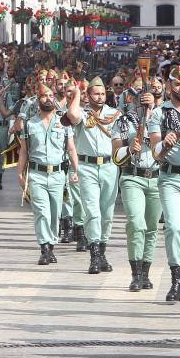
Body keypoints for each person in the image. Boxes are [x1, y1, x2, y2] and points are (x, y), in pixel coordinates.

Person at [149, 65, 180, 302]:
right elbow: (155, 153)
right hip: (169, 177)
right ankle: (176, 278)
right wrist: (165, 144)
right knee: (175, 226)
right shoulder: (159, 113)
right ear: (169, 86)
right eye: (177, 84)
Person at [64, 77, 120, 273]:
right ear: (88, 95)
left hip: (109, 166)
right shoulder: (82, 113)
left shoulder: (113, 114)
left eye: (103, 93)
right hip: (86, 167)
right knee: (92, 212)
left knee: (107, 214)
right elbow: (71, 114)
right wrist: (78, 92)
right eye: (96, 93)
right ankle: (94, 254)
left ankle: (102, 251)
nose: (100, 96)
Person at [18, 84, 78, 265]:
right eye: (44, 96)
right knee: (41, 212)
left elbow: (71, 148)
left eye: (51, 95)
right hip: (37, 174)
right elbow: (24, 151)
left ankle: (51, 245)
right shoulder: (29, 124)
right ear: (38, 100)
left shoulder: (64, 122)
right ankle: (44, 248)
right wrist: (20, 173)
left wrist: (76, 170)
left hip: (58, 174)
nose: (48, 98)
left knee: (55, 213)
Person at [112, 80, 161, 290]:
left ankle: (145, 273)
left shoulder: (165, 118)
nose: (146, 99)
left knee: (151, 228)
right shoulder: (123, 122)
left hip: (157, 177)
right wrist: (130, 149)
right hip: (132, 176)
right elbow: (116, 155)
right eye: (141, 95)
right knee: (135, 223)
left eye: (151, 95)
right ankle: (135, 273)